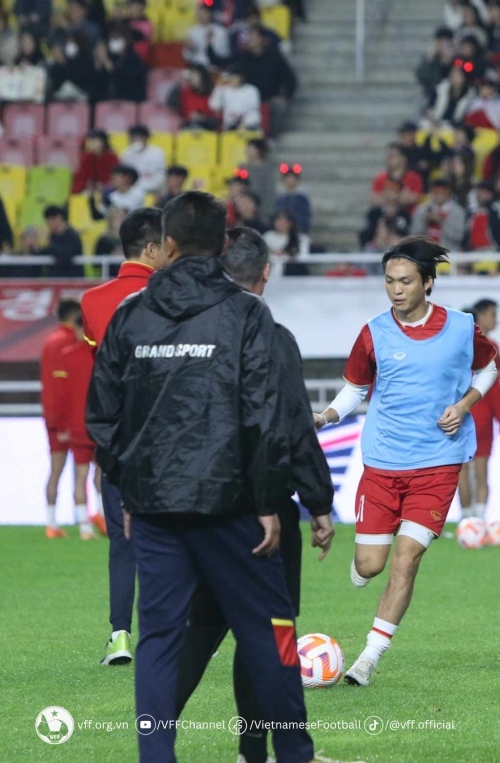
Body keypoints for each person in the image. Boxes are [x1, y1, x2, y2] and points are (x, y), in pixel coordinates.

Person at [86, 193, 325, 763]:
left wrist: (126, 486)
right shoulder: (248, 315)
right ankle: (291, 750)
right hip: (234, 506)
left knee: (161, 637)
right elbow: (266, 414)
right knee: (272, 631)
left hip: (155, 509)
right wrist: (272, 499)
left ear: (166, 245)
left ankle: (156, 756)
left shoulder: (130, 315)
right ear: (222, 246)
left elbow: (103, 415)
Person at [173, 226, 334, 763]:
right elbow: (290, 424)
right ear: (266, 273)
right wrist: (318, 501)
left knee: (200, 628)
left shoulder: (184, 333)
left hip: (193, 507)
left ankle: (155, 738)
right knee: (273, 629)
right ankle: (264, 749)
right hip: (259, 510)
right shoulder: (270, 334)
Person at [312, 236, 499, 686]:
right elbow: (356, 388)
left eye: (406, 281)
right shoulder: (373, 331)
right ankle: (361, 566)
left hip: (437, 462)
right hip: (383, 461)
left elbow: (488, 368)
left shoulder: (460, 327)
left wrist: (466, 403)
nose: (396, 289)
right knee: (371, 565)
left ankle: (368, 658)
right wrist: (328, 415)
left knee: (407, 557)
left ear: (428, 283)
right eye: (390, 281)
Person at [81, 207, 166, 667]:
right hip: (169, 435)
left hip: (116, 437)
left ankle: (119, 635)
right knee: (184, 533)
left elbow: (105, 376)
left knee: (122, 540)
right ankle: (182, 632)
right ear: (151, 248)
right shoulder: (172, 295)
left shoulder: (93, 301)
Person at [51, 310, 99, 541]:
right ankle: (104, 517)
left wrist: (60, 426)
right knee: (102, 476)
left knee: (80, 477)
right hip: (99, 426)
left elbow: (60, 396)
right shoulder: (100, 355)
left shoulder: (66, 356)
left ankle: (84, 527)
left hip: (76, 427)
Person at [458, 298, 500, 520]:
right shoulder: (491, 347)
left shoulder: (453, 350)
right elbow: (494, 386)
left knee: (462, 471)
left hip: (459, 413)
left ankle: (466, 520)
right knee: (481, 469)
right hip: (483, 413)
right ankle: (480, 519)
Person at [39, 299, 83, 539]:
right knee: (83, 469)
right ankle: (85, 518)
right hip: (69, 417)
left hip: (54, 416)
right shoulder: (67, 342)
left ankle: (52, 521)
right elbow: (64, 385)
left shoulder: (49, 340)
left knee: (56, 470)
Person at [120, 124, 166, 195]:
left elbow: (160, 176)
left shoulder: (157, 153)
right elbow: (125, 176)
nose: (137, 140)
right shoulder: (127, 153)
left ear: (146, 138)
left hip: (153, 188)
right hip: (132, 190)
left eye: (140, 137)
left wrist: (144, 187)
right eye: (134, 138)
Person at [43, 206, 83, 278]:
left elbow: (65, 256)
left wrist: (50, 245)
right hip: (55, 280)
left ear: (59, 218)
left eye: (51, 220)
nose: (49, 224)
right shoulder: (53, 237)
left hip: (71, 281)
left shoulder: (72, 236)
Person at [276, 162, 311, 234]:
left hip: (297, 232)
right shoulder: (280, 198)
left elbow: (305, 218)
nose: (290, 181)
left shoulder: (302, 199)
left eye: (293, 179)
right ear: (283, 181)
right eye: (288, 178)